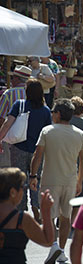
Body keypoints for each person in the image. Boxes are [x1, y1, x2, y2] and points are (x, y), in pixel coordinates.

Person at [29, 98, 83, 264]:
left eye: (53, 112)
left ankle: (54, 245)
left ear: (58, 114)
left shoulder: (47, 131)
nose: (52, 114)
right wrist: (80, 180)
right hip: (70, 180)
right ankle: (61, 250)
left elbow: (37, 155)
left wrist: (33, 175)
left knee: (49, 216)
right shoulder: (79, 133)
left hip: (50, 180)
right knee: (66, 217)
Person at [0, 79, 51, 223]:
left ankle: (20, 211)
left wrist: (0, 139)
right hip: (37, 151)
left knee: (18, 180)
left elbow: (7, 123)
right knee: (36, 178)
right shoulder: (46, 111)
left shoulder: (19, 105)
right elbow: (47, 132)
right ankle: (36, 207)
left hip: (18, 148)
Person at [0, 167, 54, 264]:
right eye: (22, 187)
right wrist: (46, 212)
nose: (23, 191)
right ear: (13, 192)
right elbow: (47, 240)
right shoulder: (21, 219)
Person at [0, 65, 30, 167]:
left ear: (17, 78)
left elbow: (1, 117)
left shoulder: (8, 93)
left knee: (10, 167)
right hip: (30, 136)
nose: (11, 80)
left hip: (11, 137)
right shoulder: (34, 93)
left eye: (12, 77)